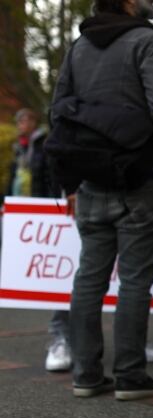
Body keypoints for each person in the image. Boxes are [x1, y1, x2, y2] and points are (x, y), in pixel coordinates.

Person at [50, 0, 153, 399]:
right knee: (135, 281)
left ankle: (86, 374)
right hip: (140, 179)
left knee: (88, 277)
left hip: (91, 179)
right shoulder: (146, 41)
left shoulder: (79, 47)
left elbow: (57, 109)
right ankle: (129, 375)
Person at [5, 109, 74, 371]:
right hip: (26, 208)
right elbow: (16, 176)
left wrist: (49, 206)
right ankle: (61, 336)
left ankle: (132, 339)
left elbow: (48, 178)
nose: (23, 124)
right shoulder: (19, 147)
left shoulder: (43, 144)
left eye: (27, 119)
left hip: (46, 207)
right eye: (20, 119)